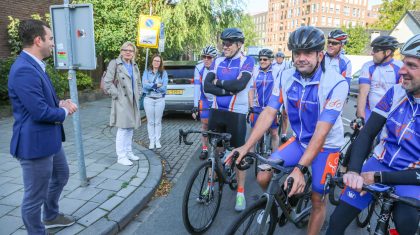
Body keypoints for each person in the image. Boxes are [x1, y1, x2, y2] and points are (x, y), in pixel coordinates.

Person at [228, 26, 349, 235]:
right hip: (301, 141)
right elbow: (269, 111)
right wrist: (246, 146)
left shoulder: (335, 82)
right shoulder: (286, 76)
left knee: (318, 198)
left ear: (320, 55)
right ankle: (281, 204)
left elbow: (321, 132)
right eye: (297, 53)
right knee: (263, 175)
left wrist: (300, 169)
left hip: (326, 146)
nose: (301, 58)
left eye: (308, 53)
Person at [326, 34, 420, 235]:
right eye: (403, 63)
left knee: (406, 226)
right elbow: (368, 134)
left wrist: (377, 177)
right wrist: (353, 171)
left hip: (411, 177)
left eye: (411, 66)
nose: (402, 70)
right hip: (379, 162)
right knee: (335, 223)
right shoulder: (396, 93)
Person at [8, 19, 77, 234]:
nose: (54, 44)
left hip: (49, 139)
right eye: (51, 39)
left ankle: (51, 215)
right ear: (38, 40)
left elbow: (39, 102)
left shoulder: (34, 65)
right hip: (35, 144)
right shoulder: (23, 70)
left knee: (61, 175)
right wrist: (65, 111)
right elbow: (39, 112)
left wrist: (59, 103)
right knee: (33, 197)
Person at [204, 27, 255, 212]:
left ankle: (240, 193)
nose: (224, 46)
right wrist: (228, 89)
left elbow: (241, 85)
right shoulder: (217, 61)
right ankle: (209, 184)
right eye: (223, 43)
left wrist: (220, 83)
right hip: (217, 111)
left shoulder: (247, 61)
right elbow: (207, 86)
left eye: (229, 43)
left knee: (239, 155)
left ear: (239, 44)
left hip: (237, 114)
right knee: (213, 152)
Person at [104, 41, 142, 166]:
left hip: (133, 101)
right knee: (123, 129)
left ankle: (128, 151)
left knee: (130, 128)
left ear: (133, 53)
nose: (128, 52)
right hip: (122, 101)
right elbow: (107, 82)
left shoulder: (134, 65)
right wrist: (118, 96)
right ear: (121, 51)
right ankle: (121, 156)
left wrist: (139, 93)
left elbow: (138, 83)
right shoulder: (115, 63)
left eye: (130, 50)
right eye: (125, 50)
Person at [356, 35, 402, 121]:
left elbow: (403, 95)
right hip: (370, 113)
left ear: (387, 52)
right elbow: (363, 92)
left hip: (390, 116)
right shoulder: (368, 66)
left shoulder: (400, 67)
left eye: (376, 50)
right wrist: (360, 117)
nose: (372, 53)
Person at [248, 48, 280, 151]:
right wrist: (251, 106)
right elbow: (251, 90)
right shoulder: (255, 71)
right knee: (254, 132)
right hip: (257, 107)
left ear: (271, 60)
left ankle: (275, 157)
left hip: (271, 107)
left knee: (274, 132)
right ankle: (250, 154)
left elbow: (280, 91)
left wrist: (279, 108)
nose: (262, 61)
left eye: (265, 59)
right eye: (260, 59)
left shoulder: (276, 71)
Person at [192, 46, 218, 159]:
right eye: (204, 57)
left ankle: (219, 149)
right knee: (204, 125)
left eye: (209, 57)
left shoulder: (219, 67)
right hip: (205, 98)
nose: (206, 59)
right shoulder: (199, 68)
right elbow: (197, 87)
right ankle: (204, 149)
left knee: (218, 126)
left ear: (214, 58)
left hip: (217, 98)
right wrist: (195, 105)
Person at [142, 54, 168, 150]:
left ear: (160, 63)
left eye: (158, 61)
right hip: (148, 99)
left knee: (157, 122)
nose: (156, 62)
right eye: (155, 60)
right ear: (152, 61)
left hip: (160, 100)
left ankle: (157, 141)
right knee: (151, 122)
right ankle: (151, 141)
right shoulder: (146, 72)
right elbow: (144, 86)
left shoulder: (164, 73)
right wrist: (157, 85)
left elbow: (164, 88)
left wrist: (151, 85)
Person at [272, 51, 293, 143]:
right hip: (275, 91)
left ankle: (284, 134)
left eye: (281, 57)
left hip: (285, 91)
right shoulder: (272, 65)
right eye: (278, 57)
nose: (279, 59)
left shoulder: (287, 65)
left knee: (285, 115)